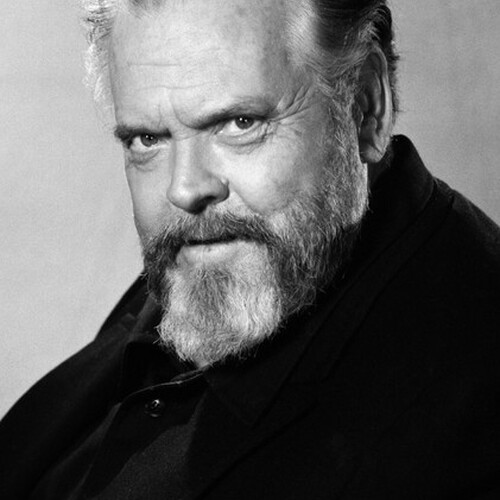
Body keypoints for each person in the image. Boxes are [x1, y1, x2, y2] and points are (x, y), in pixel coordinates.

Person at [1, 0, 499, 498]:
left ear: (365, 106)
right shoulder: (231, 256)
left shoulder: (458, 421)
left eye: (241, 123)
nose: (184, 189)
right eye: (147, 138)